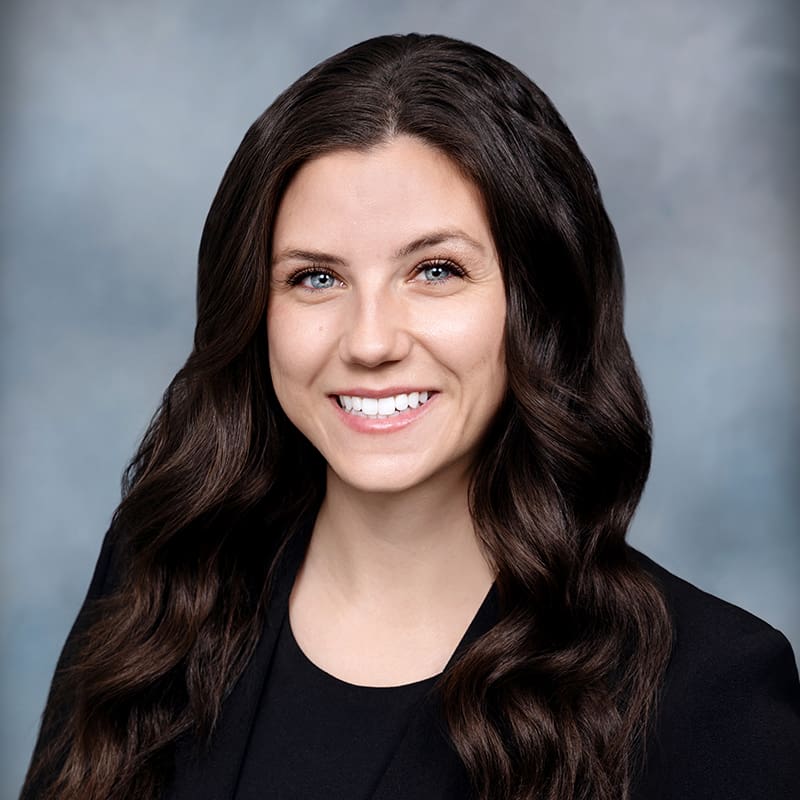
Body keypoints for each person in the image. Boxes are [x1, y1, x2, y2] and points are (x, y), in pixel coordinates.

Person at [21, 33, 800, 800]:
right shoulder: (156, 582)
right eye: (316, 277)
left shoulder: (709, 690)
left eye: (435, 271)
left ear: (539, 304)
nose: (369, 342)